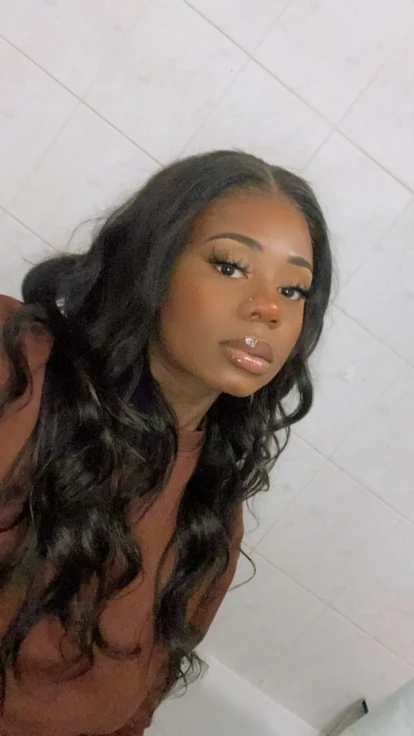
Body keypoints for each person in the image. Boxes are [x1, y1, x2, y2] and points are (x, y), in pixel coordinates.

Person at [0, 150, 332, 736]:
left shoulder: (212, 521)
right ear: (153, 261)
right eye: (231, 266)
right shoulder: (16, 366)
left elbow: (132, 718)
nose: (269, 308)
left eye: (293, 289)